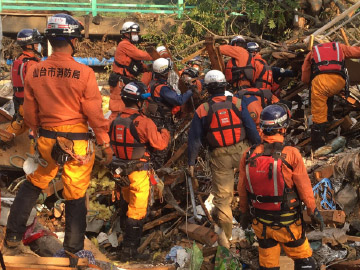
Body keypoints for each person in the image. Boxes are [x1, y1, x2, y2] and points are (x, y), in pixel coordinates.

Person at [5, 14, 113, 256]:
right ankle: (72, 253)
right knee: (75, 196)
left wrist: (37, 131)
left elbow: (30, 113)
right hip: (77, 145)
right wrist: (105, 143)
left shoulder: (36, 70)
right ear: (73, 40)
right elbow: (94, 114)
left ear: (50, 40)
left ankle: (12, 237)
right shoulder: (84, 73)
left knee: (33, 185)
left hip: (46, 139)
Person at [237, 104, 324, 270]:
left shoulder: (248, 154)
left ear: (262, 127)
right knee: (304, 261)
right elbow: (305, 188)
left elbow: (242, 189)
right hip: (288, 223)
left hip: (261, 224)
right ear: (283, 128)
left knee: (268, 263)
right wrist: (313, 211)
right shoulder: (291, 154)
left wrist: (243, 213)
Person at [188, 70, 261, 248]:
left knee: (222, 198)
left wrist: (191, 163)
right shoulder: (237, 103)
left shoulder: (202, 110)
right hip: (242, 150)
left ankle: (227, 239)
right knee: (255, 188)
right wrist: (259, 147)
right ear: (224, 86)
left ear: (207, 89)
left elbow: (195, 139)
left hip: (219, 156)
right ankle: (259, 232)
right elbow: (250, 128)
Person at [109, 82, 170, 261]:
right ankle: (129, 252)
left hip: (120, 172)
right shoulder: (143, 122)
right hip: (137, 173)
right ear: (139, 102)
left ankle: (122, 244)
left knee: (126, 205)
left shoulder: (114, 119)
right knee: (137, 210)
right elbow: (160, 144)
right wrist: (165, 131)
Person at [302, 42, 360, 151]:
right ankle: (329, 118)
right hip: (339, 82)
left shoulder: (313, 52)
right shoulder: (339, 47)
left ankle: (318, 146)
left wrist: (308, 83)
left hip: (321, 84)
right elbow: (357, 52)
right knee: (328, 93)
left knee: (318, 113)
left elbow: (305, 73)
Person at [148, 57, 195, 168]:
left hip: (154, 119)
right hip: (162, 123)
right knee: (162, 148)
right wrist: (190, 91)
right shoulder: (162, 88)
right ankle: (157, 171)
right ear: (165, 72)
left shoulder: (153, 83)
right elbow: (179, 100)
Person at [0, 29, 43, 146]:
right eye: (37, 43)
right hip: (31, 104)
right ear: (29, 45)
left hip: (20, 102)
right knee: (40, 129)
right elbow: (40, 87)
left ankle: (4, 137)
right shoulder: (32, 64)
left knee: (20, 124)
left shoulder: (18, 61)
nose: (39, 46)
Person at [108, 21, 154, 115]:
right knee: (118, 109)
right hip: (120, 84)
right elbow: (140, 55)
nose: (136, 35)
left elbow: (141, 66)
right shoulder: (124, 45)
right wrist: (156, 56)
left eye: (137, 33)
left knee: (129, 109)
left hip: (126, 82)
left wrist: (151, 68)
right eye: (134, 33)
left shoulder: (131, 47)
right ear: (126, 34)